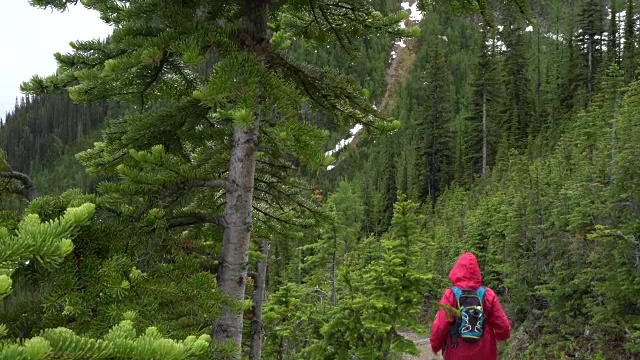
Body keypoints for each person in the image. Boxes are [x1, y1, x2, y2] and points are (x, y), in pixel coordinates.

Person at [430, 252, 511, 359]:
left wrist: (436, 345)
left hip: (456, 354)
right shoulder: (488, 294)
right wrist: (501, 337)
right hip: (485, 353)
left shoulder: (451, 295)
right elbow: (503, 327)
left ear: (457, 270)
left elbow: (441, 325)